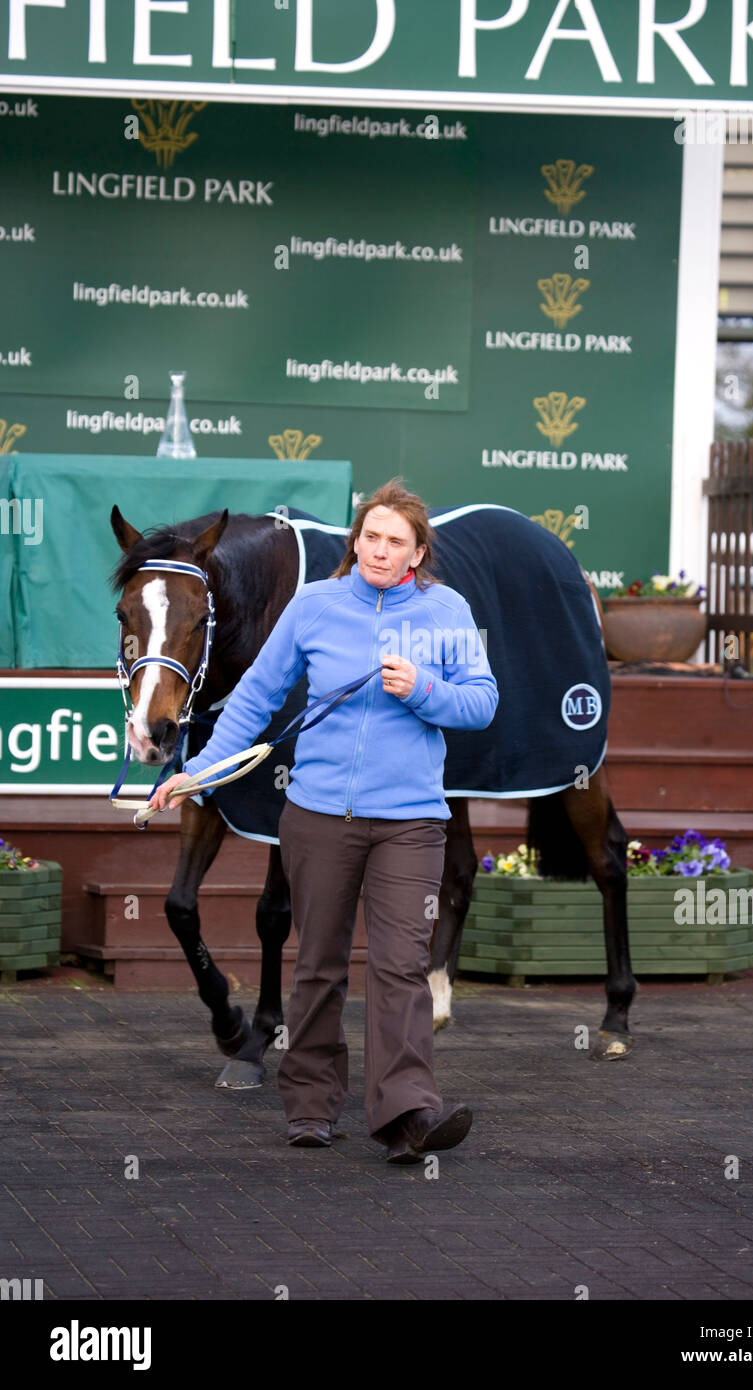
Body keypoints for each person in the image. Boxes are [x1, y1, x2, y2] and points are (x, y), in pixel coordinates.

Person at [150, 479, 498, 1163]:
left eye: (395, 541)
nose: (380, 549)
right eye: (371, 536)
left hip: (410, 823)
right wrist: (198, 773)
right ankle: (310, 1108)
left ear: (417, 552)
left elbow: (481, 704)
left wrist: (423, 689)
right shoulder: (314, 607)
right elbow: (253, 700)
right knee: (319, 967)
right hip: (317, 817)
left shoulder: (446, 611)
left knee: (400, 970)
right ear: (356, 541)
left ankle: (407, 1116)